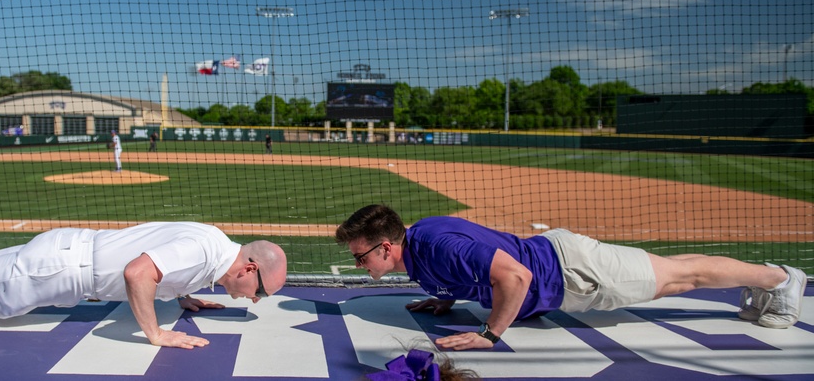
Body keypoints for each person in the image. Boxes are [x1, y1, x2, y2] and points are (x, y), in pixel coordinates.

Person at [336, 204, 807, 351]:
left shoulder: (436, 246)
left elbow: (515, 277)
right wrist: (445, 299)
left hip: (574, 273)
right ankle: (767, 280)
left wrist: (490, 334)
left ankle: (781, 280)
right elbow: (468, 270)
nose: (362, 266)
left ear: (386, 246)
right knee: (672, 271)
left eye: (362, 258)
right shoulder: (419, 250)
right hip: (566, 268)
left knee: (680, 279)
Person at [0, 222, 287, 350]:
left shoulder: (211, 251)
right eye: (262, 291)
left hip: (64, 258)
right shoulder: (207, 252)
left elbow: (162, 269)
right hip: (62, 269)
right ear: (248, 269)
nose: (258, 299)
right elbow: (137, 273)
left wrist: (182, 297)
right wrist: (156, 333)